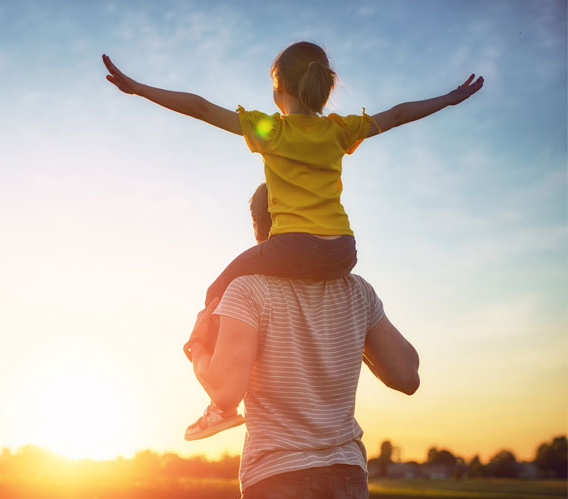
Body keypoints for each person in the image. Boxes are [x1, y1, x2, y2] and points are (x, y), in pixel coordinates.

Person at [102, 41, 482, 437]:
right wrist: (451, 99)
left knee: (218, 288)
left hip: (293, 247)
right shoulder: (340, 129)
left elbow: (199, 107)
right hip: (342, 251)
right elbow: (400, 113)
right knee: (279, 277)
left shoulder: (272, 129)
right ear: (322, 86)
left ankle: (220, 406)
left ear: (279, 88)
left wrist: (142, 89)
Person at [187, 182, 420, 498]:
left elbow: (226, 393)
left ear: (258, 227)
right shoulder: (357, 291)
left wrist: (196, 346)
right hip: (348, 476)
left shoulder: (246, 290)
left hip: (276, 475)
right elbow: (407, 375)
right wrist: (353, 332)